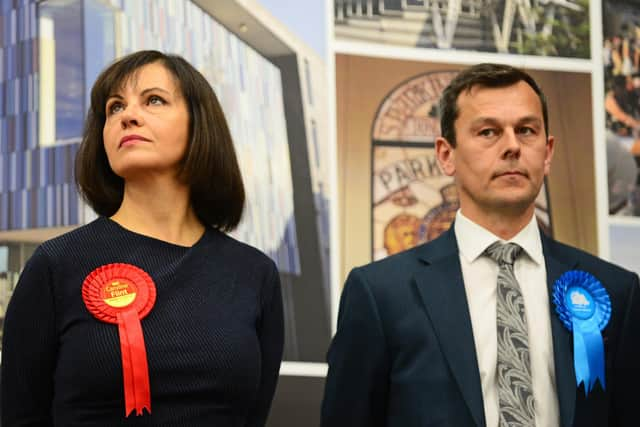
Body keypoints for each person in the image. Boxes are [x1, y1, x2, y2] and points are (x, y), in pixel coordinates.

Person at [322, 63, 640, 426]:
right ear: (446, 155)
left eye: (526, 130)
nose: (512, 146)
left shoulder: (614, 292)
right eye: (488, 132)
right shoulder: (380, 293)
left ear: (548, 152)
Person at [1, 50, 284, 426]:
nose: (127, 116)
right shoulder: (57, 265)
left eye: (153, 100)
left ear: (200, 125)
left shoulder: (254, 274)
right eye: (114, 108)